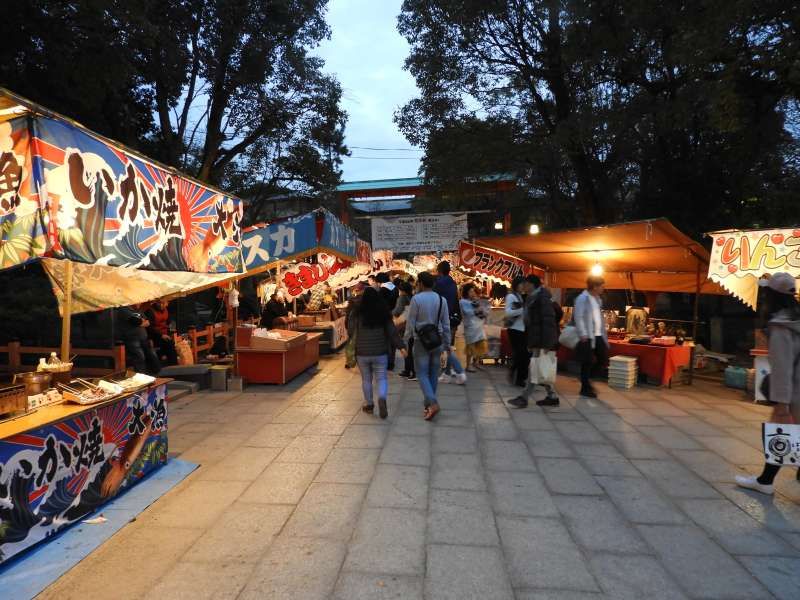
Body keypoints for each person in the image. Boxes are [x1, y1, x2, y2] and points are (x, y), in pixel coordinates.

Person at [736, 272, 800, 495]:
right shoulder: (796, 318)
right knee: (787, 436)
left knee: (781, 435)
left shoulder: (782, 326)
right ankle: (766, 480)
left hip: (793, 393)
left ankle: (765, 482)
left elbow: (782, 368)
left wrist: (781, 404)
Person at [348, 287, 406, 419]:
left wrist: (354, 340)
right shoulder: (383, 313)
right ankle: (381, 398)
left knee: (366, 379)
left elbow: (351, 330)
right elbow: (392, 332)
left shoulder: (357, 312)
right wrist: (401, 347)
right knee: (381, 378)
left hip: (362, 352)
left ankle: (369, 404)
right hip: (380, 352)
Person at [405, 271, 451, 420]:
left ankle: (433, 403)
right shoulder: (441, 300)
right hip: (437, 340)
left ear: (421, 283)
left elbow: (411, 322)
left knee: (422, 373)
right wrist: (447, 343)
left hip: (421, 341)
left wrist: (406, 339)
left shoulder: (416, 299)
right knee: (433, 373)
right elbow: (446, 324)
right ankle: (429, 406)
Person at [509, 275, 560, 408]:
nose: (523, 286)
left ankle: (524, 397)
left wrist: (547, 343)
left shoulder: (542, 298)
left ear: (531, 284)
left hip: (542, 340)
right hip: (536, 338)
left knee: (535, 368)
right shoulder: (532, 297)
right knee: (540, 368)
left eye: (525, 283)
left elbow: (548, 322)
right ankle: (552, 396)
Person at [574, 276, 608, 398]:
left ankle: (587, 380)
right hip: (587, 335)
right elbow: (578, 316)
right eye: (601, 286)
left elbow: (598, 317)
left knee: (603, 359)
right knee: (587, 362)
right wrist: (582, 333)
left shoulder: (598, 299)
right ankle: (585, 387)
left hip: (598, 334)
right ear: (595, 286)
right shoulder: (582, 298)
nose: (603, 289)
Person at [434, 260, 467, 385]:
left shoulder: (438, 283)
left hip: (442, 318)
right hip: (452, 317)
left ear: (439, 271)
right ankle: (447, 373)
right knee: (447, 345)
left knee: (444, 347)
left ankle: (459, 371)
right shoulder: (453, 283)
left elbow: (437, 300)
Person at [120, 309, 161, 375]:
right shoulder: (124, 310)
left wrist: (141, 322)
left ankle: (158, 374)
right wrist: (141, 322)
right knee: (140, 357)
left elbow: (148, 322)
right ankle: (142, 377)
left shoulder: (139, 311)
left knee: (152, 354)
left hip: (144, 338)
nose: (139, 303)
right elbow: (136, 321)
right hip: (132, 339)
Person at [505, 276, 529, 387]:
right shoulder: (511, 296)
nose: (523, 286)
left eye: (524, 284)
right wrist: (523, 309)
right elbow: (508, 312)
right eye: (521, 284)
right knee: (521, 353)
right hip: (514, 329)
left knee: (523, 354)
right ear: (516, 285)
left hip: (522, 329)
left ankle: (519, 376)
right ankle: (518, 376)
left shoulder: (520, 296)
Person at [460, 283, 488, 372]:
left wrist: (478, 306)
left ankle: (476, 363)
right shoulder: (463, 302)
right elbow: (467, 312)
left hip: (479, 326)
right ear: (466, 292)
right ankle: (468, 365)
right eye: (470, 291)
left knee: (481, 344)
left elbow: (483, 312)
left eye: (473, 291)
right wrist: (477, 308)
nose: (472, 293)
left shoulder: (475, 301)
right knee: (470, 346)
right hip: (470, 326)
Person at [144, 299, 178, 366]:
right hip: (154, 336)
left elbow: (171, 321)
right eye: (159, 303)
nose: (161, 305)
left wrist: (172, 330)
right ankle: (170, 366)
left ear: (167, 303)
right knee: (168, 345)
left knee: (171, 344)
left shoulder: (166, 310)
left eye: (163, 303)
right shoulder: (150, 311)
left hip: (165, 334)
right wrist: (161, 335)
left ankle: (173, 366)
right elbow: (148, 327)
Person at [394, 280, 416, 380]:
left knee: (407, 348)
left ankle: (410, 370)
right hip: (412, 325)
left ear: (402, 290)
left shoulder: (402, 298)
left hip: (404, 325)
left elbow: (397, 310)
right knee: (410, 348)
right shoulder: (412, 297)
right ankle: (408, 370)